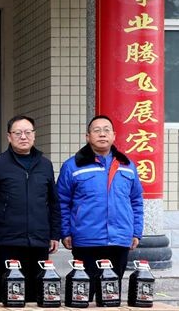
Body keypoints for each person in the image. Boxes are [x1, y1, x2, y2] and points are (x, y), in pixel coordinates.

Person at [0, 115, 61, 301]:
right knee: (10, 292)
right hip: (8, 240)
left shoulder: (45, 164)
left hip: (39, 240)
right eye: (18, 133)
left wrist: (54, 234)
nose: (23, 137)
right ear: (9, 137)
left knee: (38, 293)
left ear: (34, 135)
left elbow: (53, 202)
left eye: (27, 132)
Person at [57, 114, 144, 280]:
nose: (102, 134)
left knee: (112, 289)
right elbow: (62, 202)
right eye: (97, 131)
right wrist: (65, 232)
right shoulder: (72, 166)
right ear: (88, 136)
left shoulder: (127, 165)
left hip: (119, 239)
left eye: (106, 130)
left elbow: (136, 201)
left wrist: (136, 231)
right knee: (84, 289)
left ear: (114, 135)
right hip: (86, 239)